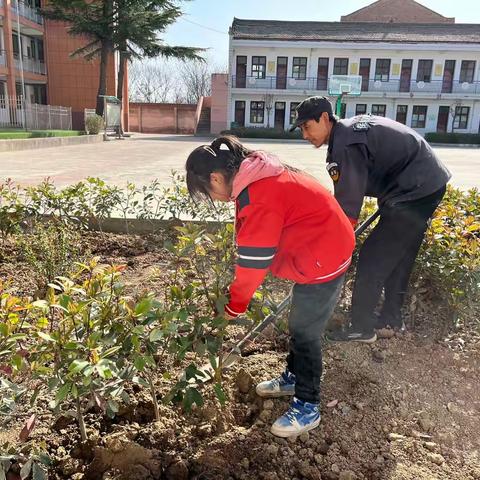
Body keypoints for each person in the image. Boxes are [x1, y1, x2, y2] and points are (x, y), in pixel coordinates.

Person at [185, 136, 355, 437]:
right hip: (318, 247)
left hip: (325, 257)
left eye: (208, 192)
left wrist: (233, 307)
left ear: (215, 177)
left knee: (306, 333)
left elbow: (253, 264)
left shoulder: (259, 193)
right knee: (299, 321)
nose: (215, 198)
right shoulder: (255, 171)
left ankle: (308, 404)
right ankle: (293, 377)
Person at [290, 96, 451, 342]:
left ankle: (361, 328)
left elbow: (347, 210)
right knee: (398, 255)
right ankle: (391, 320)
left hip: (414, 190)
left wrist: (329, 248)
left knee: (372, 258)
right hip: (427, 183)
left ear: (324, 118)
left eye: (306, 127)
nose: (304, 135)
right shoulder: (347, 134)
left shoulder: (345, 144)